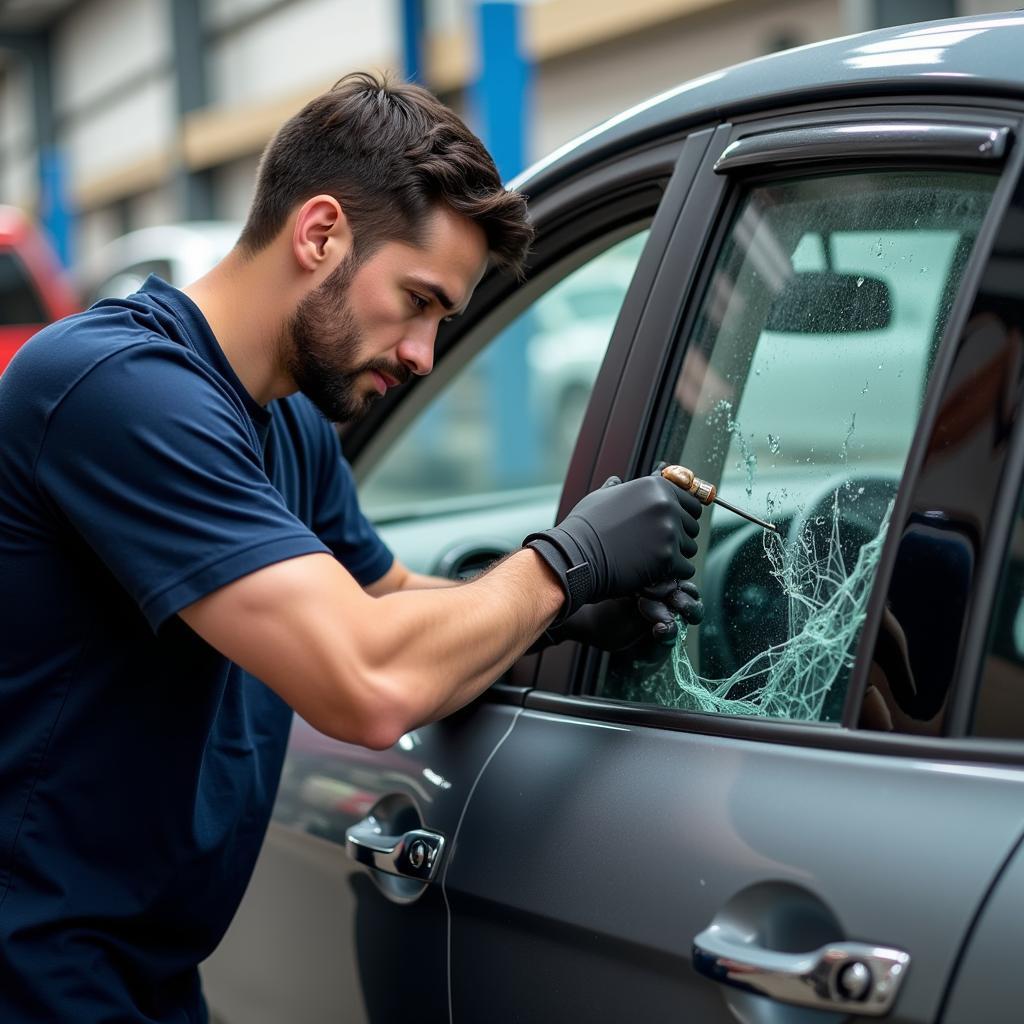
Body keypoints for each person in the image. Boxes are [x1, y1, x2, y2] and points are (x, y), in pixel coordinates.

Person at [0, 72, 702, 1022]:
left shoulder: (287, 422)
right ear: (320, 232)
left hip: (141, 969)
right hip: (34, 972)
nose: (421, 354)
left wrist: (562, 614)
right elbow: (368, 683)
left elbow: (382, 603)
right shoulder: (113, 389)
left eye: (441, 320)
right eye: (417, 300)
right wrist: (566, 563)